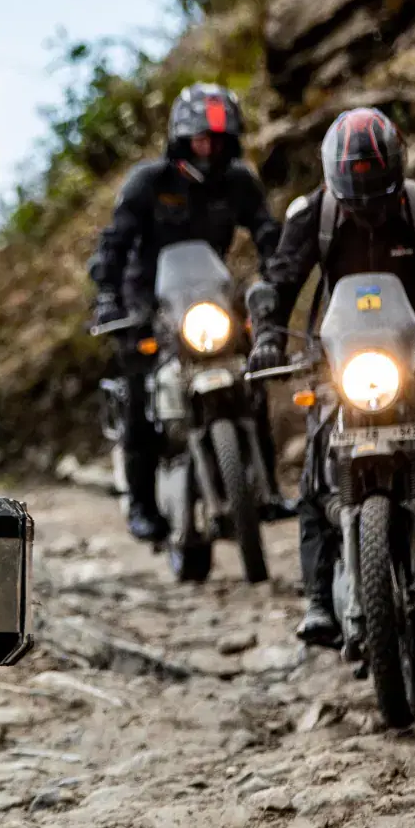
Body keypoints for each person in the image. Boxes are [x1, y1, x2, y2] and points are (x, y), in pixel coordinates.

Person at [247, 107, 415, 648]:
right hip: (340, 363)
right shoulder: (314, 214)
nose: (367, 202)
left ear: (396, 171)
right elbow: (278, 282)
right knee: (316, 476)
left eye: (377, 189)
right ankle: (318, 600)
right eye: (356, 192)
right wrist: (267, 334)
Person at [87, 83, 283, 540]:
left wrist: (275, 280)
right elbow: (113, 244)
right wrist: (108, 298)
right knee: (140, 396)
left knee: (253, 381)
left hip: (211, 299)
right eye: (199, 139)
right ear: (180, 139)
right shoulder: (149, 182)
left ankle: (268, 489)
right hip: (148, 302)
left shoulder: (238, 182)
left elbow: (267, 233)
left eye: (218, 140)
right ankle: (141, 505)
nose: (208, 148)